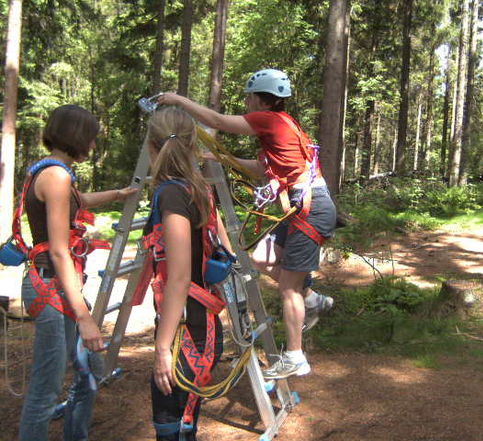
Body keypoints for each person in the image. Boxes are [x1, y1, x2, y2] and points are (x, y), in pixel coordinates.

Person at [158, 68, 337, 380]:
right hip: (299, 208)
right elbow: (261, 169)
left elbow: (216, 122)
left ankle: (296, 356)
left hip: (310, 209)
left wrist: (178, 100)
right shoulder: (284, 127)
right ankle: (312, 299)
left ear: (258, 98)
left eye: (248, 97)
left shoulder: (268, 119)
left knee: (288, 288)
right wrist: (221, 159)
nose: (246, 102)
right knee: (262, 258)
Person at [18, 104, 137, 441]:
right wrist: (84, 317)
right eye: (92, 139)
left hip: (59, 287)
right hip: (50, 288)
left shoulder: (55, 172)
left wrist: (118, 194)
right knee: (47, 389)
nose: (94, 146)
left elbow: (78, 199)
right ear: (79, 137)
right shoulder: (55, 177)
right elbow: (58, 250)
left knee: (89, 374)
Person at [142, 106, 230, 441]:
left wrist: (162, 347)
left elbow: (178, 277)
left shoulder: (172, 194)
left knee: (171, 425)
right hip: (199, 324)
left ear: (153, 148)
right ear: (193, 146)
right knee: (183, 424)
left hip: (186, 332)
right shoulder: (198, 189)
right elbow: (224, 249)